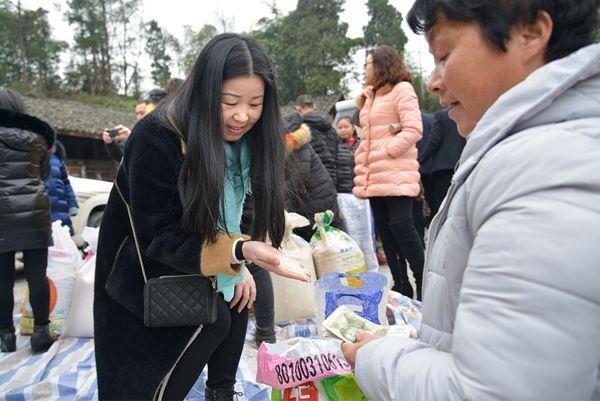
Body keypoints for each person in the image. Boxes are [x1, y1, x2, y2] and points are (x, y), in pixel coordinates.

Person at [342, 1, 600, 400]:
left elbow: (497, 390)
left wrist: (376, 357)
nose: (434, 81)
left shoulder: (545, 174)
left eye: (444, 55)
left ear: (530, 34)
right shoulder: (527, 156)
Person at [93, 33, 310, 401]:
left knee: (238, 298)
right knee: (206, 325)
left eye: (255, 103)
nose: (243, 116)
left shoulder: (246, 141)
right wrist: (239, 252)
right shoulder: (157, 137)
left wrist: (238, 261)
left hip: (203, 249)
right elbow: (158, 236)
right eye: (229, 101)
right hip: (143, 266)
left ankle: (223, 392)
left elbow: (238, 213)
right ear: (206, 92)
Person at [353, 45, 424, 299]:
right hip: (375, 176)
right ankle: (401, 285)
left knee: (403, 228)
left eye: (367, 64)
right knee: (385, 231)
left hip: (396, 173)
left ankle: (422, 282)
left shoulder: (402, 89)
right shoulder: (370, 96)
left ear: (382, 65)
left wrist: (389, 150)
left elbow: (414, 128)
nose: (364, 70)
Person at [0, 88, 57, 354]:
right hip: (35, 210)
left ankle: (5, 337)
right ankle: (41, 334)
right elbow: (45, 175)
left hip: (2, 212)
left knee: (3, 279)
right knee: (37, 276)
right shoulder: (37, 138)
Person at [419, 108, 466, 218]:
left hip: (442, 168)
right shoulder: (465, 113)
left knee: (443, 204)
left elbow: (434, 140)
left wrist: (421, 159)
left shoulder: (440, 115)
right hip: (461, 163)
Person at [293, 94, 339, 187]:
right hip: (333, 178)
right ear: (314, 107)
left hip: (313, 179)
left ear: (298, 109)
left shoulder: (300, 130)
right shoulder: (331, 129)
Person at [45, 141, 79, 235]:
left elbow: (66, 184)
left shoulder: (58, 160)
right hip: (44, 208)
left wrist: (72, 204)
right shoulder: (35, 160)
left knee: (62, 238)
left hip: (61, 208)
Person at [335, 116, 360, 193]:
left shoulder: (362, 144)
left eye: (346, 127)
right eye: (340, 128)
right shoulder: (335, 146)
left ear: (353, 128)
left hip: (360, 187)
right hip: (342, 190)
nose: (343, 130)